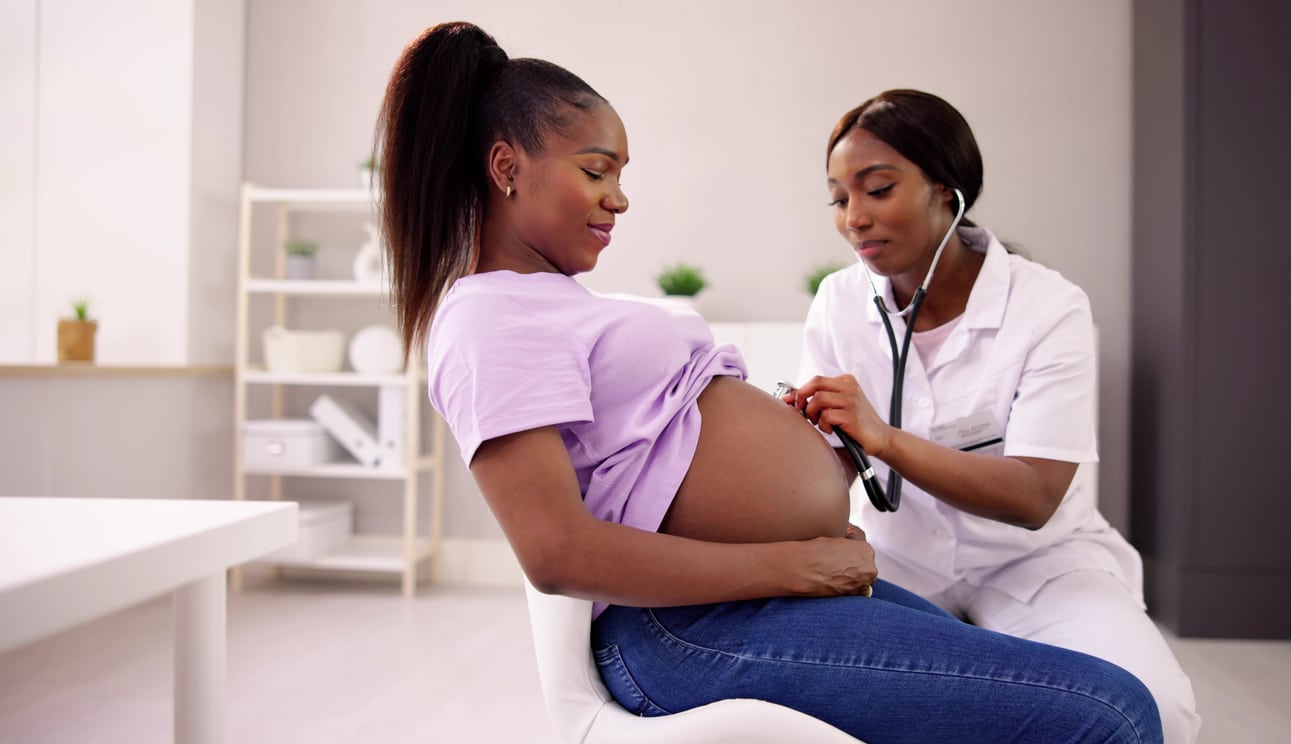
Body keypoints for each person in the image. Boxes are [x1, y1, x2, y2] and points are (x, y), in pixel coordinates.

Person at [375, 22, 1163, 743]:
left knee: (1088, 701)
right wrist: (793, 562)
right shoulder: (487, 320)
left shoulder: (547, 304)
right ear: (506, 166)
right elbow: (555, 552)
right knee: (1109, 716)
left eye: (620, 173)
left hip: (747, 602)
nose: (619, 197)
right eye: (596, 170)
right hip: (688, 625)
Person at [785, 89, 1201, 744]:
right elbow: (831, 463)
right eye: (838, 199)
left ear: (946, 189)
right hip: (898, 557)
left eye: (878, 188)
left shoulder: (1046, 306)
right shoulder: (838, 302)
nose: (854, 218)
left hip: (1034, 562)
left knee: (1156, 711)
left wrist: (884, 439)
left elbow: (1034, 496)